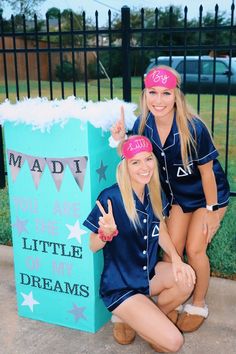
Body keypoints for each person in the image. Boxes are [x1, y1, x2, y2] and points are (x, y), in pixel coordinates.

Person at [110, 65, 230, 333]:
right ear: (145, 93)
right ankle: (172, 299)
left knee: (195, 247)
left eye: (166, 93)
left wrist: (212, 211)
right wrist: (119, 137)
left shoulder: (193, 127)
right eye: (153, 92)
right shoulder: (143, 124)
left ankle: (198, 303)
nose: (159, 100)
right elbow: (130, 153)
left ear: (176, 95)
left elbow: (208, 174)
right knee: (170, 248)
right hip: (178, 199)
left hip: (208, 198)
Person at [83, 135, 196, 352]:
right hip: (121, 287)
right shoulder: (110, 198)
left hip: (147, 276)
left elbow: (159, 228)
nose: (144, 167)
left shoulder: (154, 192)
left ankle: (150, 318)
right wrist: (105, 234)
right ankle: (131, 317)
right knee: (175, 342)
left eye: (148, 159)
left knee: (186, 279)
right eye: (135, 162)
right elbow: (92, 246)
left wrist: (175, 258)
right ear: (125, 166)